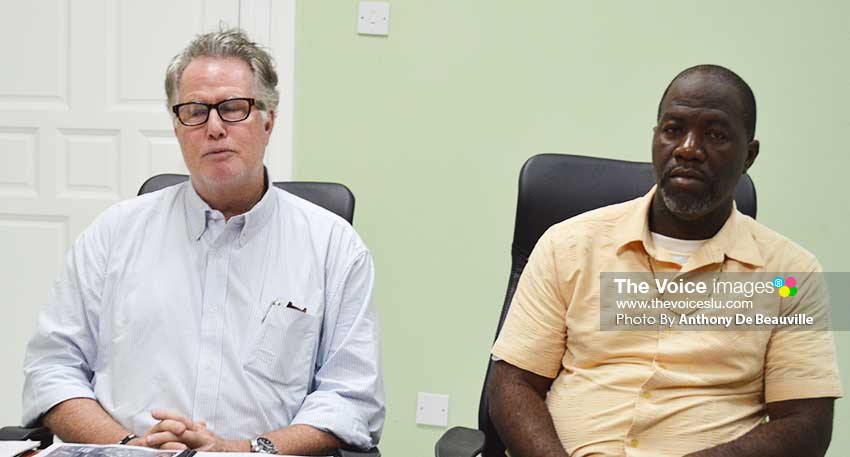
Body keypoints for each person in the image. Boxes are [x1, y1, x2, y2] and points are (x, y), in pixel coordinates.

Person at [22, 28, 384, 455]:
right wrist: (129, 447)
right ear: (177, 127)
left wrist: (243, 451)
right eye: (194, 111)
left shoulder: (333, 248)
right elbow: (52, 369)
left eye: (233, 108)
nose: (214, 128)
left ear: (268, 120)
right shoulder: (111, 235)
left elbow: (351, 399)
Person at [488, 65, 842, 457]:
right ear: (655, 138)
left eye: (715, 134)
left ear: (749, 156)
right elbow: (512, 384)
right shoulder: (567, 245)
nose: (688, 148)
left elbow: (806, 424)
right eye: (673, 129)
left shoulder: (792, 275)